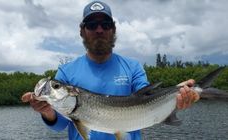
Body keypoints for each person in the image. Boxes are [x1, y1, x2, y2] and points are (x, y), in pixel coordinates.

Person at [22, 1, 200, 140]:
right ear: (82, 31)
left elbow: (149, 102)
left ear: (113, 29)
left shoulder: (133, 67)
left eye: (105, 24)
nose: (99, 30)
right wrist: (47, 111)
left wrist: (177, 96)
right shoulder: (66, 72)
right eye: (91, 25)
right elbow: (59, 125)